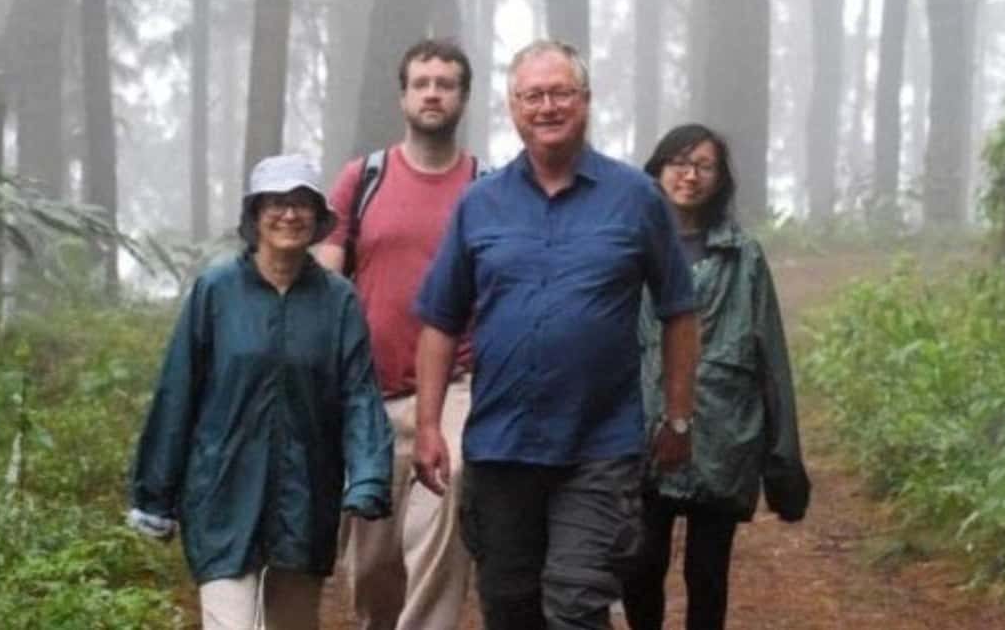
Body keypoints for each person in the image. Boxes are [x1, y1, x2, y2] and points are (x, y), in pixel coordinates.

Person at [411, 40, 701, 630]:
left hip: (599, 446)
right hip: (500, 446)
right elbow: (441, 320)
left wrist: (678, 418)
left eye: (561, 93)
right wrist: (427, 425)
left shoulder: (636, 198)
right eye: (533, 96)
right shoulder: (479, 204)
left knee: (576, 604)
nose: (547, 107)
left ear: (586, 101)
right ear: (513, 108)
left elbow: (679, 310)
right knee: (510, 608)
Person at [127, 155, 394, 630]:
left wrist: (369, 475)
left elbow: (359, 394)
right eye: (276, 202)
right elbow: (178, 392)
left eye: (302, 204)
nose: (289, 214)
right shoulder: (216, 291)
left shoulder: (338, 300)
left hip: (306, 498)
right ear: (255, 214)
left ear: (318, 217)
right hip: (222, 495)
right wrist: (155, 494)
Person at [316, 37, 479, 630]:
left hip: (459, 385)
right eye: (422, 84)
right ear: (403, 96)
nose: (433, 94)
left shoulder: (485, 186)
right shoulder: (363, 178)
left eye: (446, 85)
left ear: (463, 98)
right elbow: (325, 275)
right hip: (370, 392)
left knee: (450, 488)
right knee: (373, 561)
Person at [620, 124, 811, 630]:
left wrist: (784, 460)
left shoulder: (744, 256)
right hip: (642, 435)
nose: (691, 176)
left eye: (704, 166)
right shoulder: (630, 248)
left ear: (721, 178)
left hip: (723, 438)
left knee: (707, 575)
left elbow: (772, 358)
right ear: (658, 171)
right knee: (639, 567)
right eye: (680, 163)